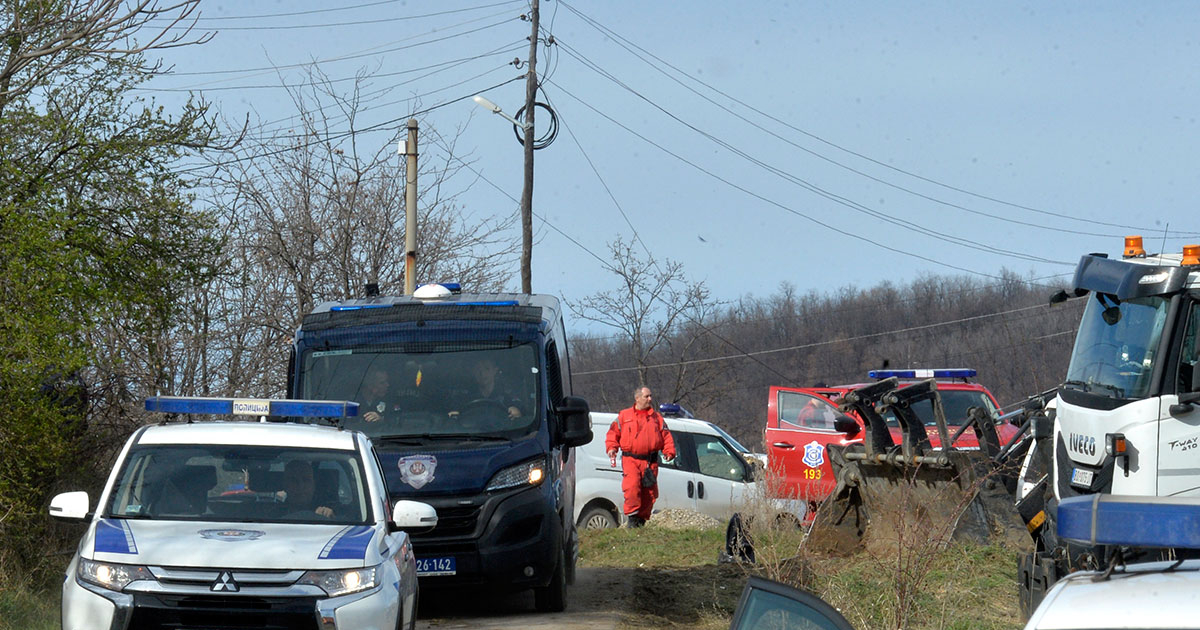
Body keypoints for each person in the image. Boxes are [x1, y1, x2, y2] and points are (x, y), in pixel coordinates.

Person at [605, 386, 676, 528]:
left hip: (650, 462)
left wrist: (669, 452)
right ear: (637, 398)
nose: (650, 399)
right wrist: (612, 448)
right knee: (631, 488)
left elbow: (666, 436)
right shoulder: (624, 416)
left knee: (649, 494)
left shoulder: (657, 418)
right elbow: (613, 433)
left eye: (650, 396)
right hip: (630, 460)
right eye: (647, 396)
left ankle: (640, 522)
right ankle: (632, 520)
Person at [449, 357, 522, 420]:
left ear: (495, 370)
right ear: (473, 372)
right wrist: (455, 414)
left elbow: (523, 410)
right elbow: (454, 410)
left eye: (487, 369)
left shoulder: (506, 392)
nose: (482, 373)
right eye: (478, 369)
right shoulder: (464, 395)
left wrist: (516, 410)